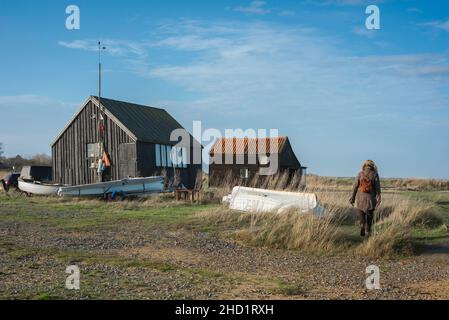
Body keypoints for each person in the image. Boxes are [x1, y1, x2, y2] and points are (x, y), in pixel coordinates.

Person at [350, 160, 381, 237]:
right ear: (372, 165)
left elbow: (355, 187)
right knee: (370, 216)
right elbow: (377, 188)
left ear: (364, 165)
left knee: (361, 215)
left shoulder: (360, 174)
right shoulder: (375, 174)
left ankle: (362, 226)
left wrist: (352, 198)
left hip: (360, 198)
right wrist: (379, 198)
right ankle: (368, 230)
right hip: (371, 199)